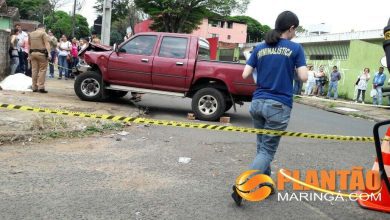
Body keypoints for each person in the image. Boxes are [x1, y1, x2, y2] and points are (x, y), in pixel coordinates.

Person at [232, 11, 308, 206]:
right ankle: (243, 186)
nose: (295, 34)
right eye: (295, 30)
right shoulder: (295, 48)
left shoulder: (260, 48)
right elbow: (304, 77)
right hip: (278, 105)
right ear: (291, 28)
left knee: (262, 148)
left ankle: (267, 184)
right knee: (266, 151)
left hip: (257, 103)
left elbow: (245, 74)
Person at [28, 23, 51, 93]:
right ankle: (41, 87)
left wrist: (29, 55)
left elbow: (29, 44)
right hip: (41, 54)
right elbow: (47, 44)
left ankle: (34, 87)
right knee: (42, 70)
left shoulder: (31, 34)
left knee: (34, 70)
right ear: (44, 28)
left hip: (32, 54)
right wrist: (49, 54)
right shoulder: (43, 34)